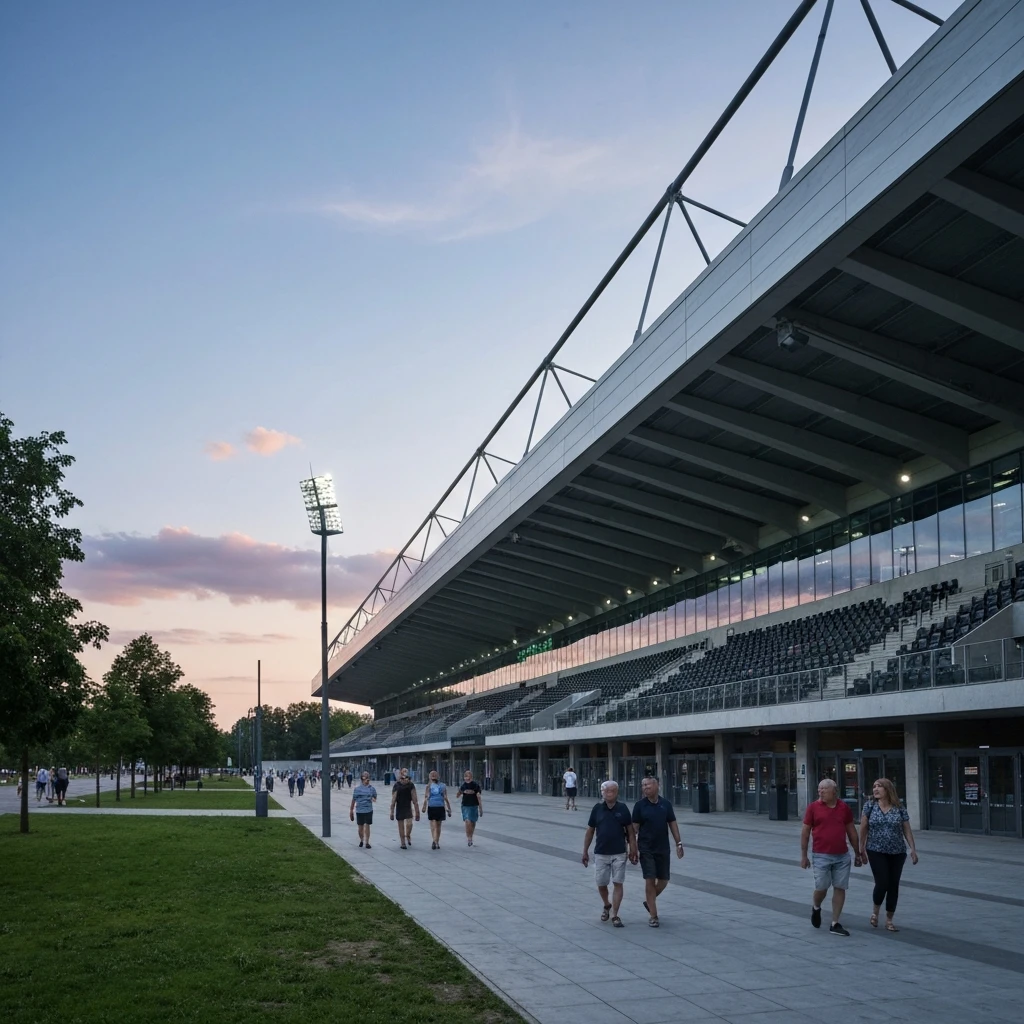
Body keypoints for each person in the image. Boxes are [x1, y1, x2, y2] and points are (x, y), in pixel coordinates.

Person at [801, 779, 863, 936]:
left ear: (834, 791)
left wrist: (857, 853)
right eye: (819, 789)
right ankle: (816, 907)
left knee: (840, 887)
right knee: (821, 887)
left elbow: (851, 831)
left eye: (824, 789)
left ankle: (835, 923)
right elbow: (805, 832)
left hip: (842, 856)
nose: (820, 792)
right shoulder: (813, 808)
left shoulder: (844, 808)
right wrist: (804, 856)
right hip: (821, 855)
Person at [859, 778, 918, 932]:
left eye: (879, 786)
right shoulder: (869, 806)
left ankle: (889, 919)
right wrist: (861, 848)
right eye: (874, 786)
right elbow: (863, 828)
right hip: (875, 850)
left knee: (893, 885)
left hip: (897, 852)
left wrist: (912, 849)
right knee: (882, 882)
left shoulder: (899, 807)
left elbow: (906, 829)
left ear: (888, 789)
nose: (875, 789)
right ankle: (875, 912)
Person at [582, 780, 637, 928]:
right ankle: (607, 904)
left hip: (619, 853)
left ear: (617, 792)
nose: (608, 793)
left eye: (611, 791)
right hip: (601, 852)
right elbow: (590, 831)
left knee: (618, 882)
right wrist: (585, 851)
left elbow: (630, 831)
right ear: (602, 792)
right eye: (605, 791)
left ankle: (615, 915)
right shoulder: (597, 809)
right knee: (601, 883)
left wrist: (633, 849)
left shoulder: (623, 808)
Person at [631, 776, 683, 928]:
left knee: (664, 880)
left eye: (647, 785)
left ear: (657, 786)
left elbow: (672, 823)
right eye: (643, 786)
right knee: (650, 878)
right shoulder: (639, 806)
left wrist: (679, 843)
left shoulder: (665, 804)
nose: (645, 788)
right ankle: (653, 916)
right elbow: (634, 828)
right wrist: (632, 848)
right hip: (646, 847)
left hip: (663, 848)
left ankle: (649, 901)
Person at [421, 770, 452, 850]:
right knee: (433, 824)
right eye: (432, 775)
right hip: (432, 806)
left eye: (435, 774)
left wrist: (449, 809)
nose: (433, 776)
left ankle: (436, 841)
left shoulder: (443, 786)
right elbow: (426, 797)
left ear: (438, 776)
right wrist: (424, 806)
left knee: (438, 825)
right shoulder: (428, 786)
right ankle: (434, 841)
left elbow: (445, 797)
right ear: (429, 777)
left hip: (440, 807)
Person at [390, 768, 420, 848]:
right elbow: (393, 799)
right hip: (399, 807)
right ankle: (403, 842)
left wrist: (417, 812)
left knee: (409, 824)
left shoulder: (411, 785)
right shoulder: (397, 785)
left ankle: (408, 835)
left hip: (408, 807)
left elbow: (415, 799)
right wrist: (392, 812)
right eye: (403, 772)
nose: (405, 773)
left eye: (406, 772)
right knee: (401, 826)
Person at [350, 772, 377, 848]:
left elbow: (375, 797)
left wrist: (373, 799)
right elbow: (353, 800)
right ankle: (361, 840)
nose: (367, 778)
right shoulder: (357, 789)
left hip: (368, 809)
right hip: (360, 810)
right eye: (365, 777)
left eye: (368, 776)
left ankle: (367, 842)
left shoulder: (372, 789)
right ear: (362, 778)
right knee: (360, 827)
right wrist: (351, 810)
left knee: (367, 825)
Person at [457, 770, 483, 846]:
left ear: (471, 777)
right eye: (466, 776)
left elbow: (479, 796)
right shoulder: (463, 786)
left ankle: (471, 835)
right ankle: (469, 838)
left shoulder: (475, 785)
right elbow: (458, 795)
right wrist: (461, 792)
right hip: (465, 805)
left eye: (469, 776)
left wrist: (480, 809)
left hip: (474, 806)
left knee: (473, 822)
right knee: (467, 821)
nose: (467, 778)